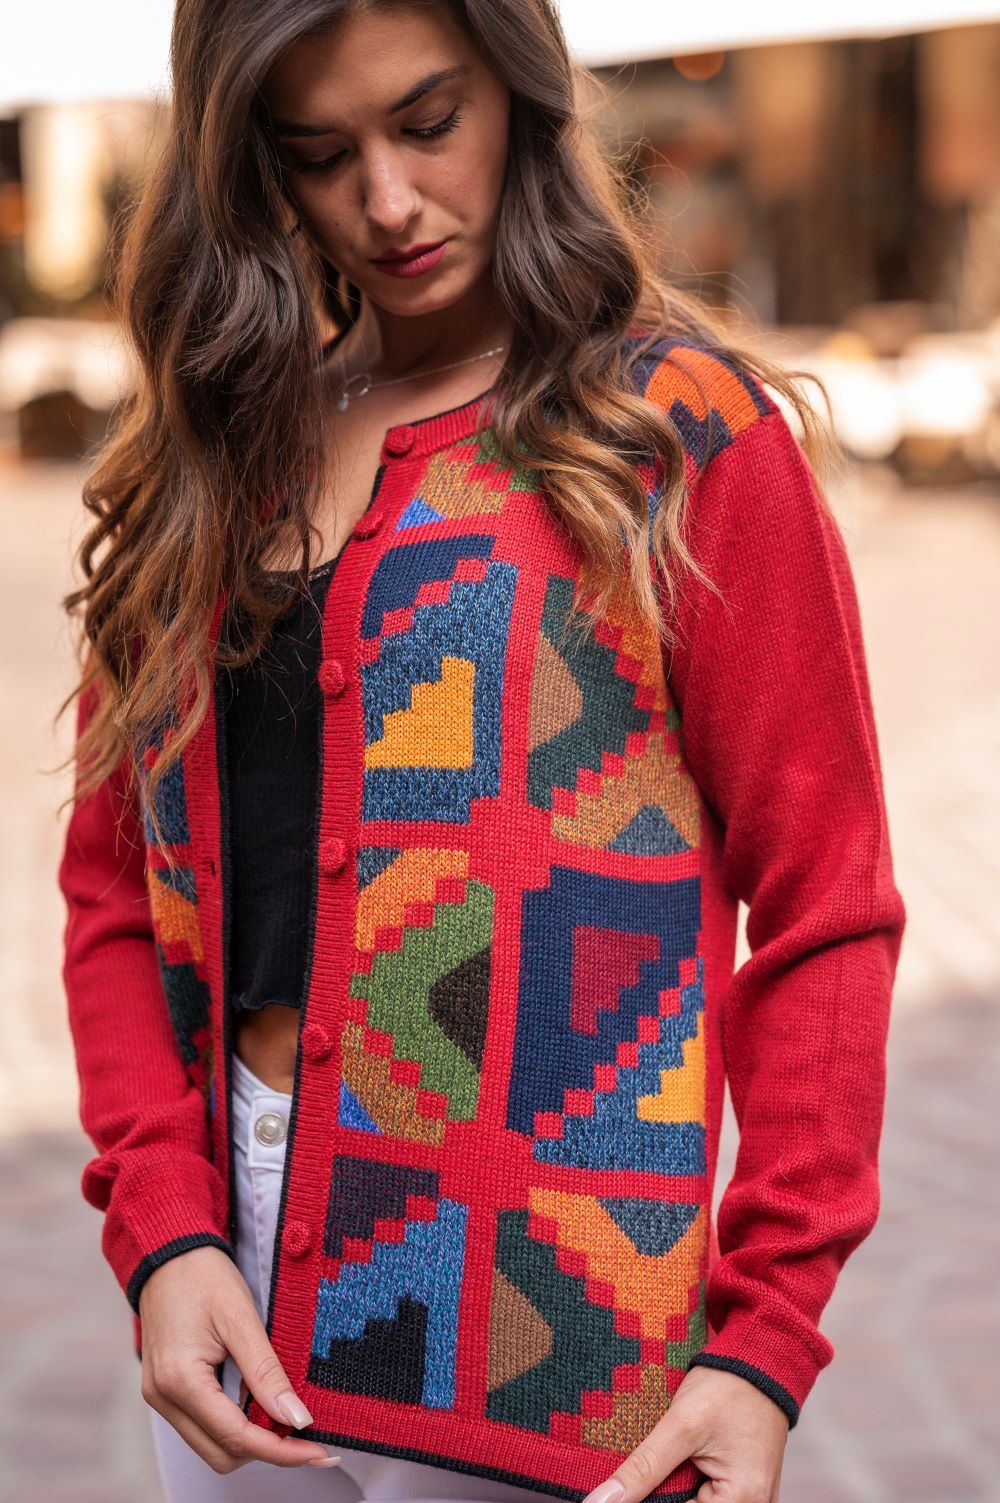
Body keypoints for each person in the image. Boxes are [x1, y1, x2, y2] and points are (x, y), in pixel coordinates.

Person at [55, 0, 907, 1500]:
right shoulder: (226, 455)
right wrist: (165, 1230)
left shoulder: (673, 436)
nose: (388, 201)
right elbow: (118, 892)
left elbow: (828, 899)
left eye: (428, 122)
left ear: (519, 90)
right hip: (229, 1296)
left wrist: (766, 1335)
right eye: (319, 153)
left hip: (551, 1338)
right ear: (250, 165)